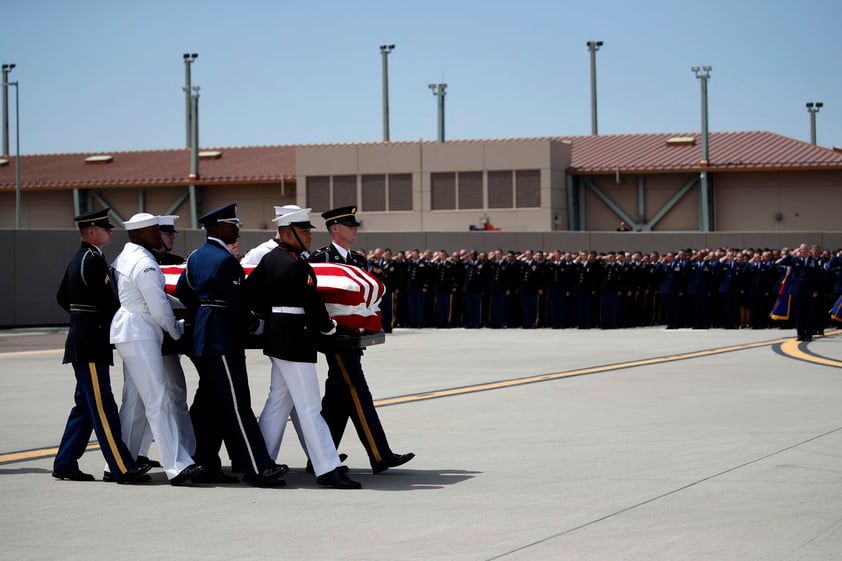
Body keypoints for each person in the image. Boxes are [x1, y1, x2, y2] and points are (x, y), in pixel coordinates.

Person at [246, 207, 361, 489]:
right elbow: (312, 303)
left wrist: (270, 316)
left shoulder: (271, 259)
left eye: (310, 230)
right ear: (288, 233)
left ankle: (259, 463)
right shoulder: (297, 264)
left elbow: (249, 292)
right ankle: (327, 467)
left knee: (277, 403)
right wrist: (328, 327)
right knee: (310, 406)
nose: (310, 235)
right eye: (304, 231)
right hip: (296, 338)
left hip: (277, 335)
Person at [174, 203, 288, 487]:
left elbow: (181, 290)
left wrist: (204, 309)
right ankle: (257, 468)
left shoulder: (196, 257)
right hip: (222, 338)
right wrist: (253, 324)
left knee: (211, 404)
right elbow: (238, 304)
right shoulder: (225, 261)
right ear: (216, 228)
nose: (237, 228)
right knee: (238, 404)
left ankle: (204, 464)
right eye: (232, 224)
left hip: (206, 334)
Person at [309, 206, 415, 474]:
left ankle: (320, 456)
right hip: (334, 337)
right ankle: (380, 455)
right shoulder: (321, 258)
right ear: (335, 229)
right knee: (358, 392)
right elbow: (315, 298)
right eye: (350, 225)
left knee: (338, 398)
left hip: (352, 337)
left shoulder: (356, 259)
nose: (355, 229)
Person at [53, 208, 150, 484]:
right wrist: (94, 323)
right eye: (105, 228)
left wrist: (80, 319)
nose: (110, 231)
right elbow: (106, 303)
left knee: (86, 406)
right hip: (90, 343)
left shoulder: (81, 258)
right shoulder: (92, 260)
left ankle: (65, 463)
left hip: (86, 339)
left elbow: (62, 296)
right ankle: (121, 467)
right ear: (91, 231)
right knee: (103, 407)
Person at [110, 213, 204, 485]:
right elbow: (159, 307)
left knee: (135, 401)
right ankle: (177, 465)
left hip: (132, 329)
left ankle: (119, 462)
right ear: (140, 234)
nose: (159, 235)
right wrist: (177, 329)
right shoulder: (143, 262)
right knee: (158, 399)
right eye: (154, 231)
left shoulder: (125, 256)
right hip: (140, 330)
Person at [776, 243, 821, 341]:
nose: (803, 252)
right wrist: (792, 254)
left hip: (809, 291)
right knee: (799, 314)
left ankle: (808, 335)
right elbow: (783, 262)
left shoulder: (812, 261)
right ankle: (800, 335)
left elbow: (817, 276)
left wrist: (816, 290)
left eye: (805, 250)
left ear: (808, 251)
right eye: (801, 250)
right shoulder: (795, 260)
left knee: (808, 314)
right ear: (799, 251)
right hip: (797, 290)